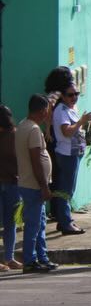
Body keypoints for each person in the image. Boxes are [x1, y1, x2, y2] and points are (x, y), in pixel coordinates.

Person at [16, 95, 54, 272]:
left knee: (40, 223)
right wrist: (44, 186)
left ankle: (42, 257)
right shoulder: (32, 130)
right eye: (47, 110)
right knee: (33, 225)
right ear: (41, 111)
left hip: (29, 183)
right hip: (34, 185)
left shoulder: (23, 125)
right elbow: (36, 160)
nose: (48, 113)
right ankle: (30, 261)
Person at [50, 84, 91, 235]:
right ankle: (65, 222)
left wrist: (85, 124)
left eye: (76, 94)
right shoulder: (61, 111)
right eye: (70, 95)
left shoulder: (70, 109)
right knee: (66, 190)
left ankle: (64, 220)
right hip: (67, 154)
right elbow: (66, 132)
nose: (74, 97)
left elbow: (75, 128)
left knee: (68, 189)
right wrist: (81, 121)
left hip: (74, 153)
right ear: (62, 96)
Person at [0, 106, 22, 271]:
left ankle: (9, 258)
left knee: (11, 222)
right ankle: (8, 257)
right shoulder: (15, 134)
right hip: (11, 183)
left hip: (13, 183)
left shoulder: (15, 135)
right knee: (9, 223)